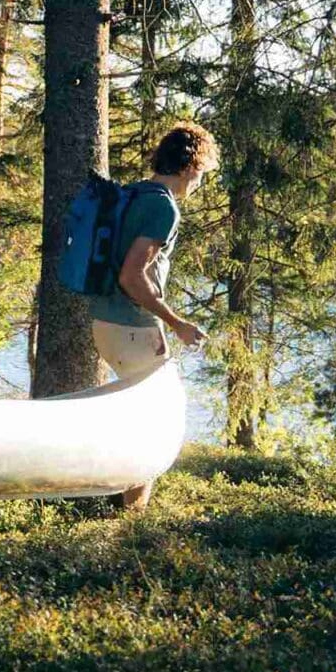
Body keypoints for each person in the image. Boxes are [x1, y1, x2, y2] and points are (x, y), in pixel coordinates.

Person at [91, 121, 217, 506]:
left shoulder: (132, 194)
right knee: (156, 422)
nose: (199, 182)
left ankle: (117, 498)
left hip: (104, 323)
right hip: (134, 328)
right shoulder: (163, 207)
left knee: (135, 418)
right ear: (190, 166)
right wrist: (178, 324)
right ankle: (133, 521)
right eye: (202, 173)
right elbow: (133, 276)